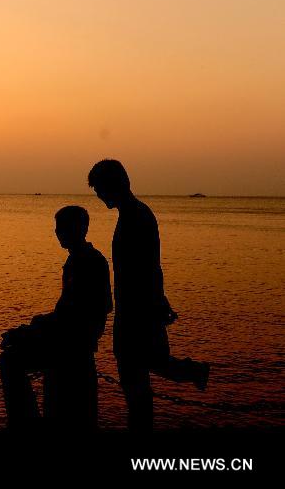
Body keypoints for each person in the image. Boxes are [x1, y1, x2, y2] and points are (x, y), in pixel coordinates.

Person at [88, 159, 210, 431]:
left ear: (113, 185)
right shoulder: (133, 214)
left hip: (136, 311)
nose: (98, 195)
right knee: (149, 365)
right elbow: (151, 266)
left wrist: (157, 301)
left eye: (99, 188)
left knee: (135, 379)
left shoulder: (136, 216)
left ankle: (191, 374)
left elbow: (148, 266)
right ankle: (193, 372)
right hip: (134, 308)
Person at [0, 206, 112, 430]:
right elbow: (68, 313)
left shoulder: (87, 262)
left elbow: (73, 316)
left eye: (62, 228)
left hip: (72, 342)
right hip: (70, 336)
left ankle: (26, 424)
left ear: (80, 229)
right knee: (13, 350)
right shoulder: (80, 261)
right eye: (57, 228)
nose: (58, 233)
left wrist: (30, 330)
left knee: (9, 360)